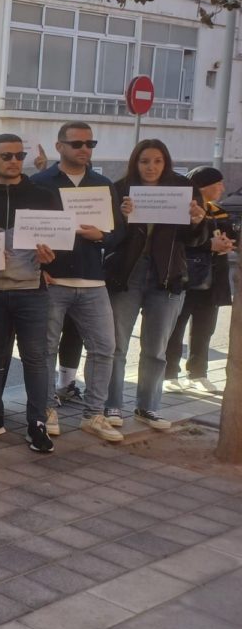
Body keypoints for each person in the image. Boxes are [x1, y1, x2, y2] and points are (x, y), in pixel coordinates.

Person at [31, 123, 124, 444]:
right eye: (77, 144)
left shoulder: (102, 184)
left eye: (90, 143)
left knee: (104, 348)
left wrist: (103, 236)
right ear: (60, 147)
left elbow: (118, 233)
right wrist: (34, 266)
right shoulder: (40, 182)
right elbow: (26, 230)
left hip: (92, 281)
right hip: (51, 279)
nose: (85, 149)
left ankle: (93, 414)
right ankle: (45, 410)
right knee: (45, 349)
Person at [106, 140, 207, 429]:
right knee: (116, 345)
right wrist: (122, 219)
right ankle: (112, 404)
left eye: (157, 161)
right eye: (144, 161)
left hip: (167, 276)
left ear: (166, 163)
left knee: (156, 348)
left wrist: (199, 221)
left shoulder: (183, 189)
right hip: (127, 274)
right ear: (134, 163)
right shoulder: (120, 188)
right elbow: (108, 236)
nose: (151, 167)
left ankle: (148, 407)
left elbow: (195, 241)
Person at [0, 134, 60, 452]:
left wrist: (52, 258)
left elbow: (58, 246)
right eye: (5, 156)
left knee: (36, 358)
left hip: (31, 290)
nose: (13, 161)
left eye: (19, 155)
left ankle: (37, 422)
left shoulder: (44, 195)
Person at [164, 166, 237, 394]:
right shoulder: (183, 211)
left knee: (205, 329)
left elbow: (229, 237)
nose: (222, 188)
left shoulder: (219, 211)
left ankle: (197, 373)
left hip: (212, 279)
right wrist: (209, 246)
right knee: (175, 327)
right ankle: (169, 374)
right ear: (203, 186)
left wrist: (228, 244)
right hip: (185, 277)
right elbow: (178, 242)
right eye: (218, 183)